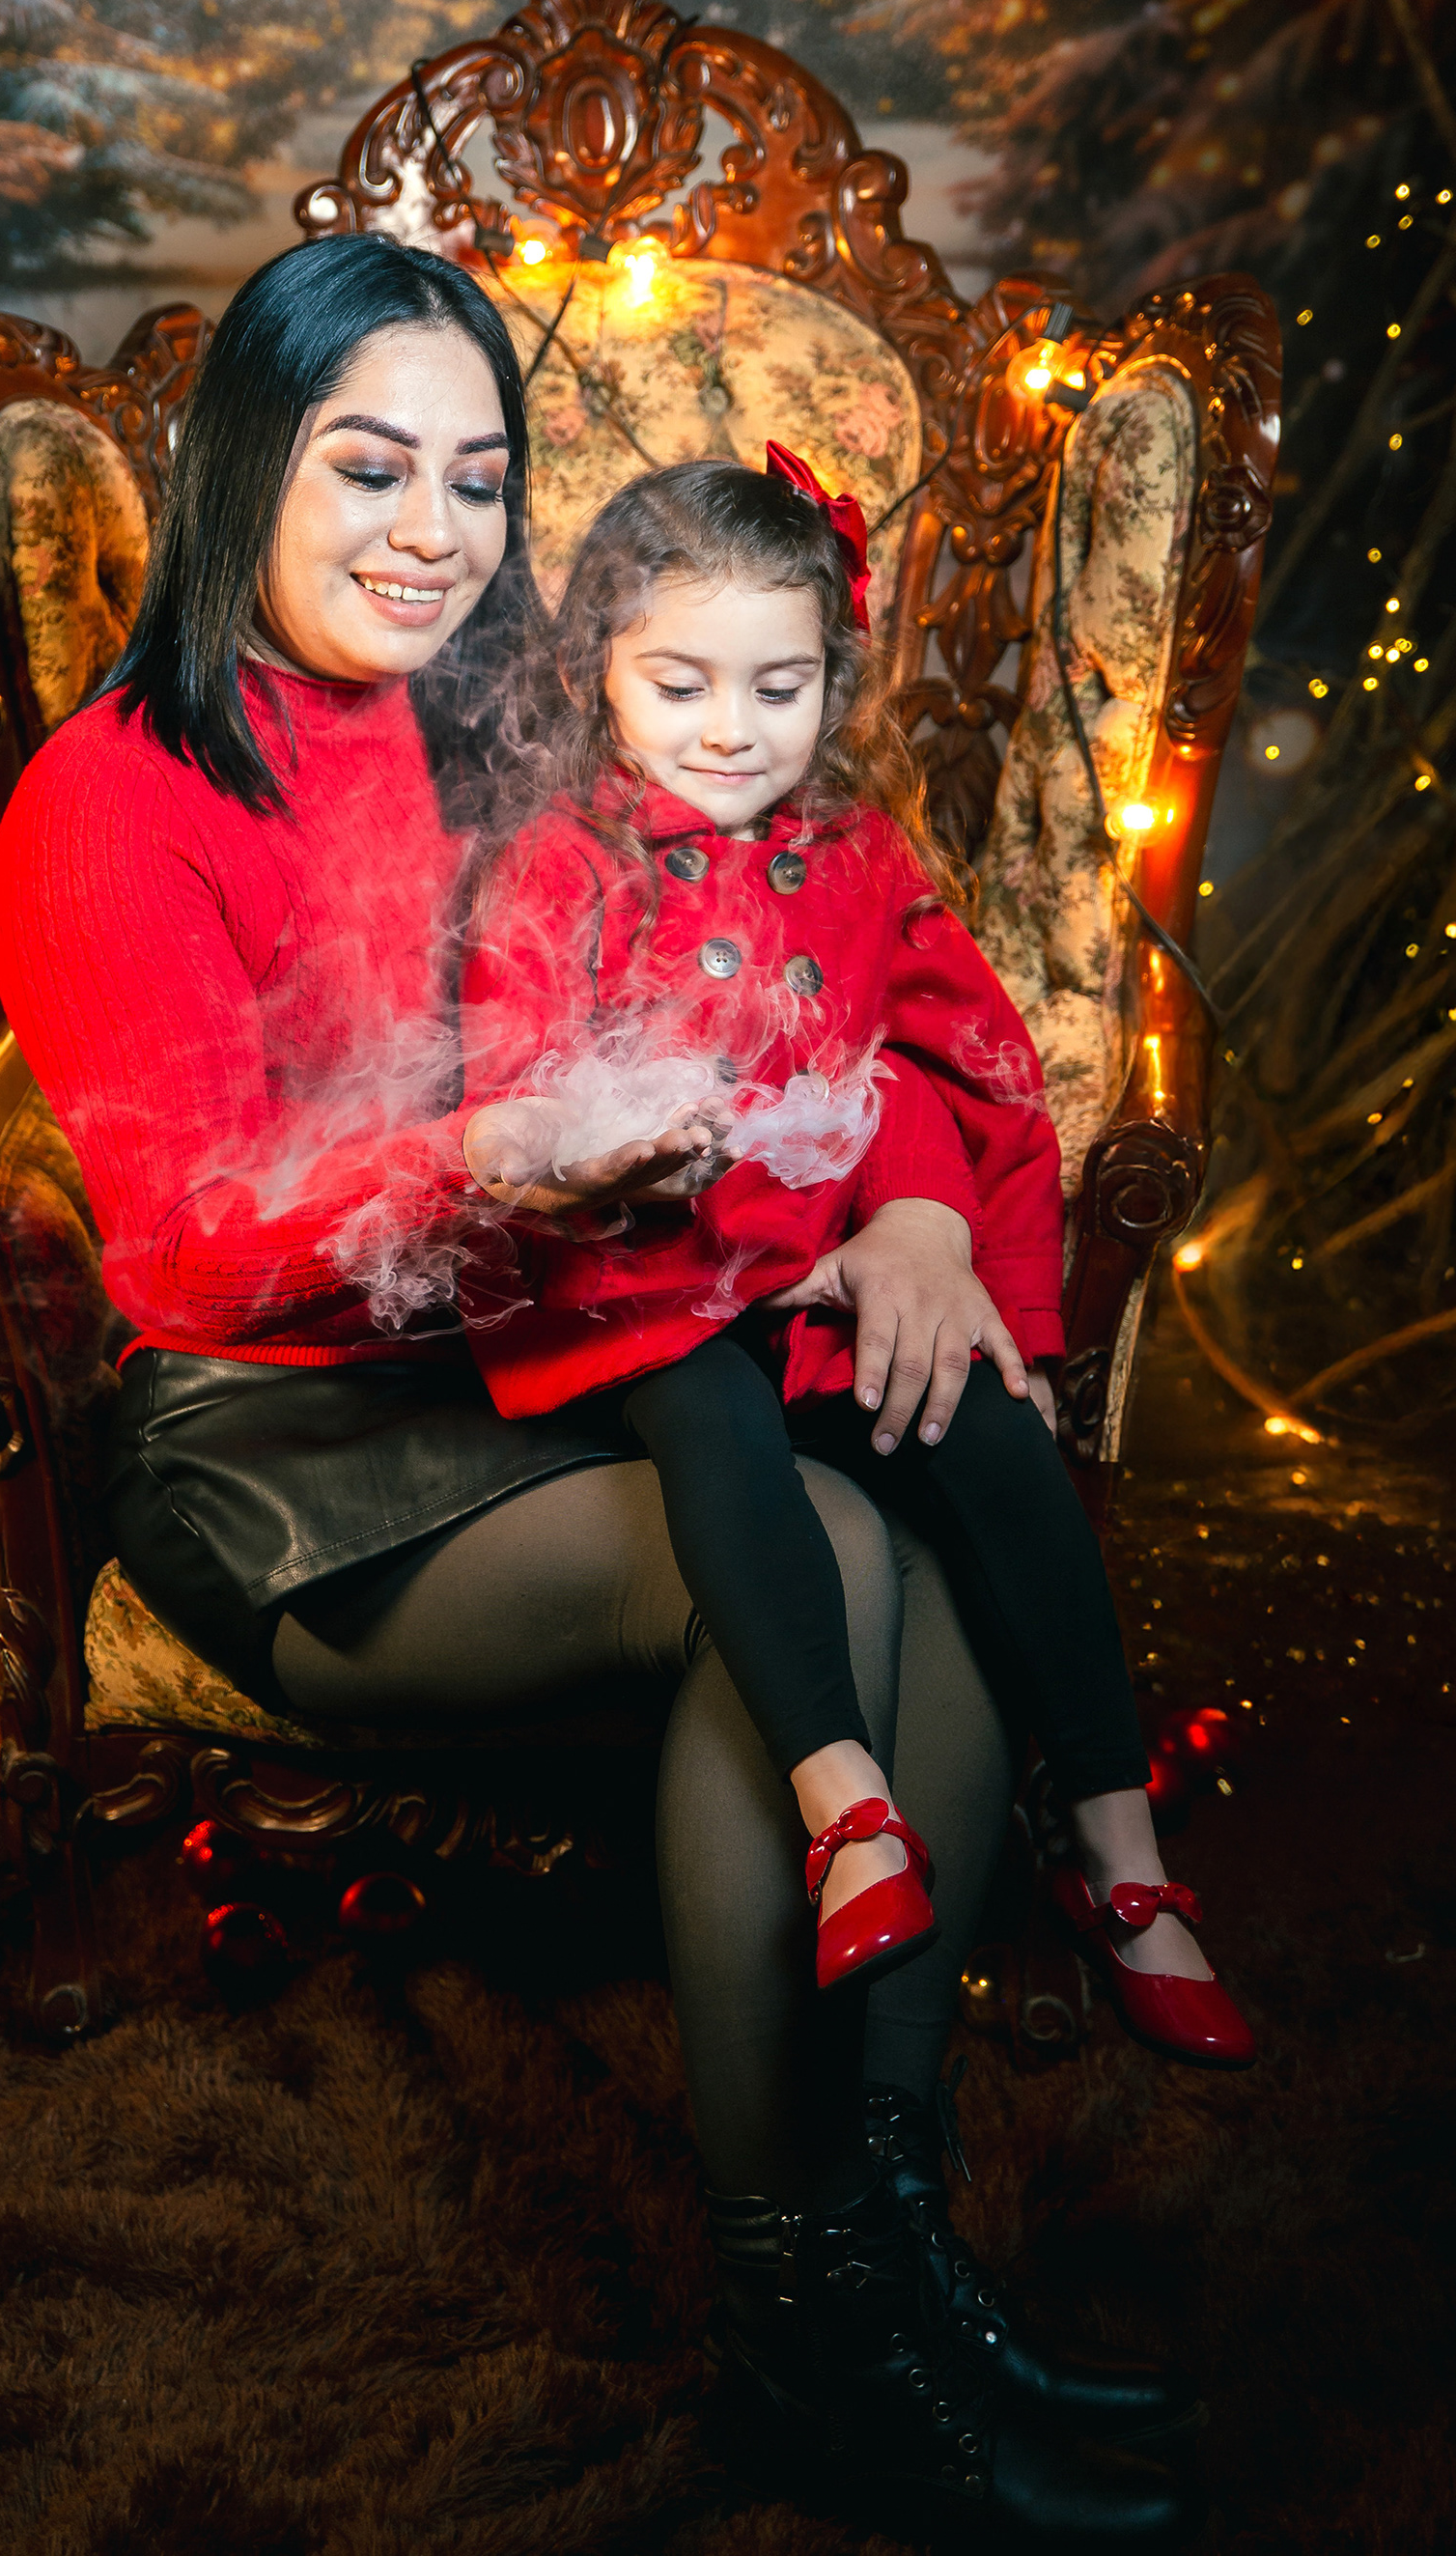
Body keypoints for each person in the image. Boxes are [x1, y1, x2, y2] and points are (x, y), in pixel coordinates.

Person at [0, 232, 1202, 2544]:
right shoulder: (113, 796)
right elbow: (184, 1241)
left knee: (926, 1484)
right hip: (279, 1435)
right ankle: (802, 2341)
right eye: (369, 467)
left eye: (477, 476)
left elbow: (821, 965)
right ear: (244, 461)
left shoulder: (516, 727)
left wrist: (922, 1212)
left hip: (548, 1347)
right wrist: (480, 1159)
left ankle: (891, 2246)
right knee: (814, 1551)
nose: (431, 529)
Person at [457, 455, 1254, 2072]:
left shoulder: (864, 855)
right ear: (598, 667)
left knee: (993, 1434)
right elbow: (510, 1101)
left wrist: (943, 1250)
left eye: (781, 686)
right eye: (679, 683)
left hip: (827, 1280)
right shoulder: (555, 862)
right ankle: (847, 1813)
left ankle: (1116, 1849)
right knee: (713, 1427)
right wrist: (604, 1149)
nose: (731, 729)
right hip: (644, 1297)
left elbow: (967, 1059)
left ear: (835, 675)